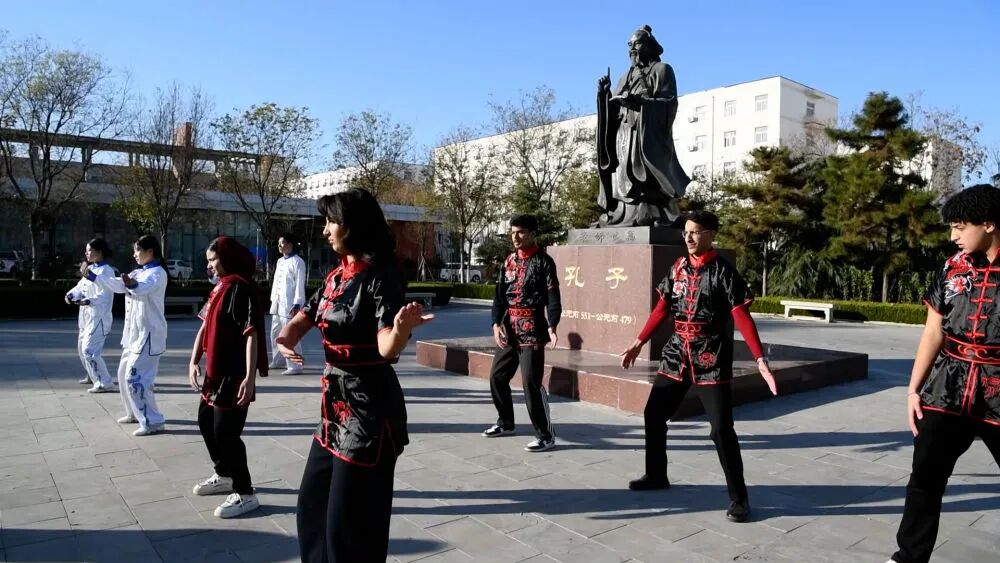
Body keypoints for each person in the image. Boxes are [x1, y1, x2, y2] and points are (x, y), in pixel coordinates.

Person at [275, 188, 432, 562]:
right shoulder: (335, 277)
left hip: (368, 412)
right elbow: (306, 316)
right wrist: (286, 338)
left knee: (348, 527)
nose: (325, 230)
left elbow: (386, 348)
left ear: (354, 226)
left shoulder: (381, 278)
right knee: (311, 509)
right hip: (333, 409)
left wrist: (401, 329)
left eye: (332, 222)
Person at [620, 210, 776, 523]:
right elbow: (662, 308)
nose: (689, 237)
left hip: (710, 357)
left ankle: (739, 498)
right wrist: (638, 342)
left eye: (695, 232)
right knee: (654, 414)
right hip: (676, 352)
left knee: (721, 430)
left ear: (711, 234)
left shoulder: (723, 272)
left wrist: (760, 358)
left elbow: (741, 315)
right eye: (686, 232)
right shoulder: (678, 267)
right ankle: (656, 474)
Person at [887, 185, 1000, 563]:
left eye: (960, 227)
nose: (953, 236)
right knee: (925, 477)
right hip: (947, 387)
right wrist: (913, 389)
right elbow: (933, 330)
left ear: (988, 224)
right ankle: (909, 556)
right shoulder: (952, 267)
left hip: (998, 389)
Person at [188, 236, 268, 518]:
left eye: (213, 259)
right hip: (215, 371)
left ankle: (245, 492)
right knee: (205, 420)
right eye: (208, 261)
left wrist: (250, 376)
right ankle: (224, 474)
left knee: (226, 432)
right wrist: (193, 360)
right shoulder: (220, 288)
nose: (209, 265)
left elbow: (251, 333)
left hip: (234, 373)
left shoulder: (241, 289)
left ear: (228, 258)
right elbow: (203, 326)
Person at [595, 24, 690, 227]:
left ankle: (653, 212)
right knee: (622, 172)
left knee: (644, 174)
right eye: (629, 44)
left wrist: (640, 103)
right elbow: (613, 109)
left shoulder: (662, 70)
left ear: (649, 45)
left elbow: (669, 102)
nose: (632, 48)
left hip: (645, 132)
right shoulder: (625, 76)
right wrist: (604, 94)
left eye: (637, 43)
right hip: (624, 133)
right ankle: (622, 213)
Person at [482, 214, 562, 452]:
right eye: (513, 232)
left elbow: (553, 296)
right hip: (510, 329)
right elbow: (499, 297)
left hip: (533, 330)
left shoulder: (544, 262)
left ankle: (545, 435)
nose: (515, 237)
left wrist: (553, 324)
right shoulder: (508, 261)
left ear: (532, 234)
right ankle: (505, 422)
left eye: (521, 232)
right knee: (497, 377)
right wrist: (495, 323)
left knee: (530, 383)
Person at [88, 234, 168, 436]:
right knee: (123, 374)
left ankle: (153, 421)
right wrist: (93, 276)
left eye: (137, 250)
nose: (134, 255)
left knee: (136, 377)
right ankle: (134, 413)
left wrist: (131, 284)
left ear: (150, 251)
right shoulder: (137, 272)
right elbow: (117, 285)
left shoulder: (158, 273)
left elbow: (141, 289)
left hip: (149, 335)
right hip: (133, 335)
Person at [66, 238, 116, 393]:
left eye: (89, 250)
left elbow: (105, 295)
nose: (86, 253)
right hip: (85, 316)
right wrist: (71, 295)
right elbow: (80, 287)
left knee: (89, 349)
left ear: (99, 252)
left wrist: (89, 301)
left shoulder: (107, 271)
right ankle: (92, 375)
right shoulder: (90, 269)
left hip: (99, 317)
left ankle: (104, 382)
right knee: (81, 349)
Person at [269, 233, 307, 375]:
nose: (279, 245)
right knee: (275, 332)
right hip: (277, 302)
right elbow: (275, 282)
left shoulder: (298, 262)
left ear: (290, 244)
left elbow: (300, 284)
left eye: (282, 242)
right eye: (279, 243)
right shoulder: (279, 261)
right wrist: (273, 299)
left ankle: (295, 365)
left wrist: (297, 303)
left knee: (290, 334)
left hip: (290, 303)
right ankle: (278, 360)